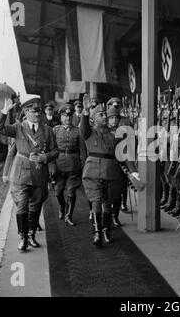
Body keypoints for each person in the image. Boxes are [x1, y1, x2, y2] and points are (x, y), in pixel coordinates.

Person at [0, 98, 58, 251]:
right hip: (20, 173)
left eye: (39, 111)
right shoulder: (18, 128)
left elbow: (55, 151)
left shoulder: (47, 130)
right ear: (26, 112)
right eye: (34, 111)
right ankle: (23, 238)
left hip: (39, 172)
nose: (37, 114)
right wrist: (4, 112)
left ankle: (31, 234)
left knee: (35, 206)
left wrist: (45, 157)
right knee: (22, 205)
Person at [80, 99, 139, 247]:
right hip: (93, 173)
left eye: (105, 114)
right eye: (101, 115)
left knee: (108, 203)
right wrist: (86, 112)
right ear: (94, 119)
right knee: (96, 202)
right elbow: (84, 127)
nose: (105, 117)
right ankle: (97, 233)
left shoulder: (115, 135)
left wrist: (134, 172)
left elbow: (123, 155)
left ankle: (106, 230)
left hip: (111, 173)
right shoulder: (89, 133)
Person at [51, 103, 87, 226]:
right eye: (65, 116)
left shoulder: (78, 131)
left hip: (74, 165)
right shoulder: (55, 130)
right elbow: (51, 149)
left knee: (71, 191)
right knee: (58, 192)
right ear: (61, 117)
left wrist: (84, 167)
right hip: (59, 165)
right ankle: (62, 207)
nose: (67, 119)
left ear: (72, 117)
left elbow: (83, 150)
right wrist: (51, 166)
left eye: (69, 116)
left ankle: (68, 216)